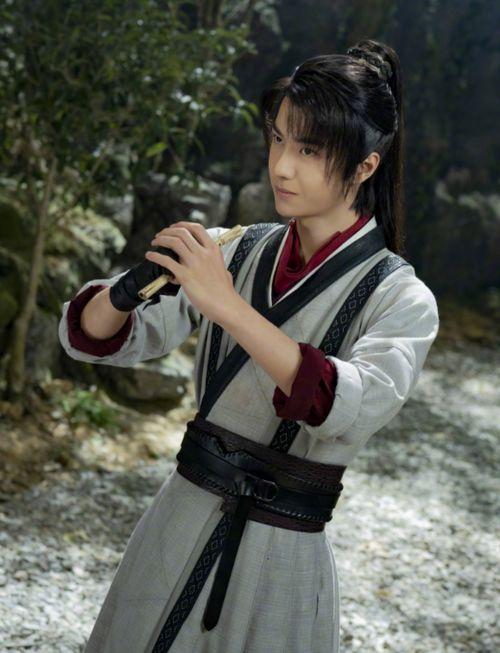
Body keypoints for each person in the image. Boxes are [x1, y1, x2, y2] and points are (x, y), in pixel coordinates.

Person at [58, 38, 439, 653]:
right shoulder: (234, 248)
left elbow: (348, 405)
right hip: (177, 521)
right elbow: (95, 337)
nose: (282, 166)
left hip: (281, 555)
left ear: (366, 166)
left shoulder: (402, 300)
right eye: (278, 139)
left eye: (310, 149)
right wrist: (130, 289)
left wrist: (226, 306)